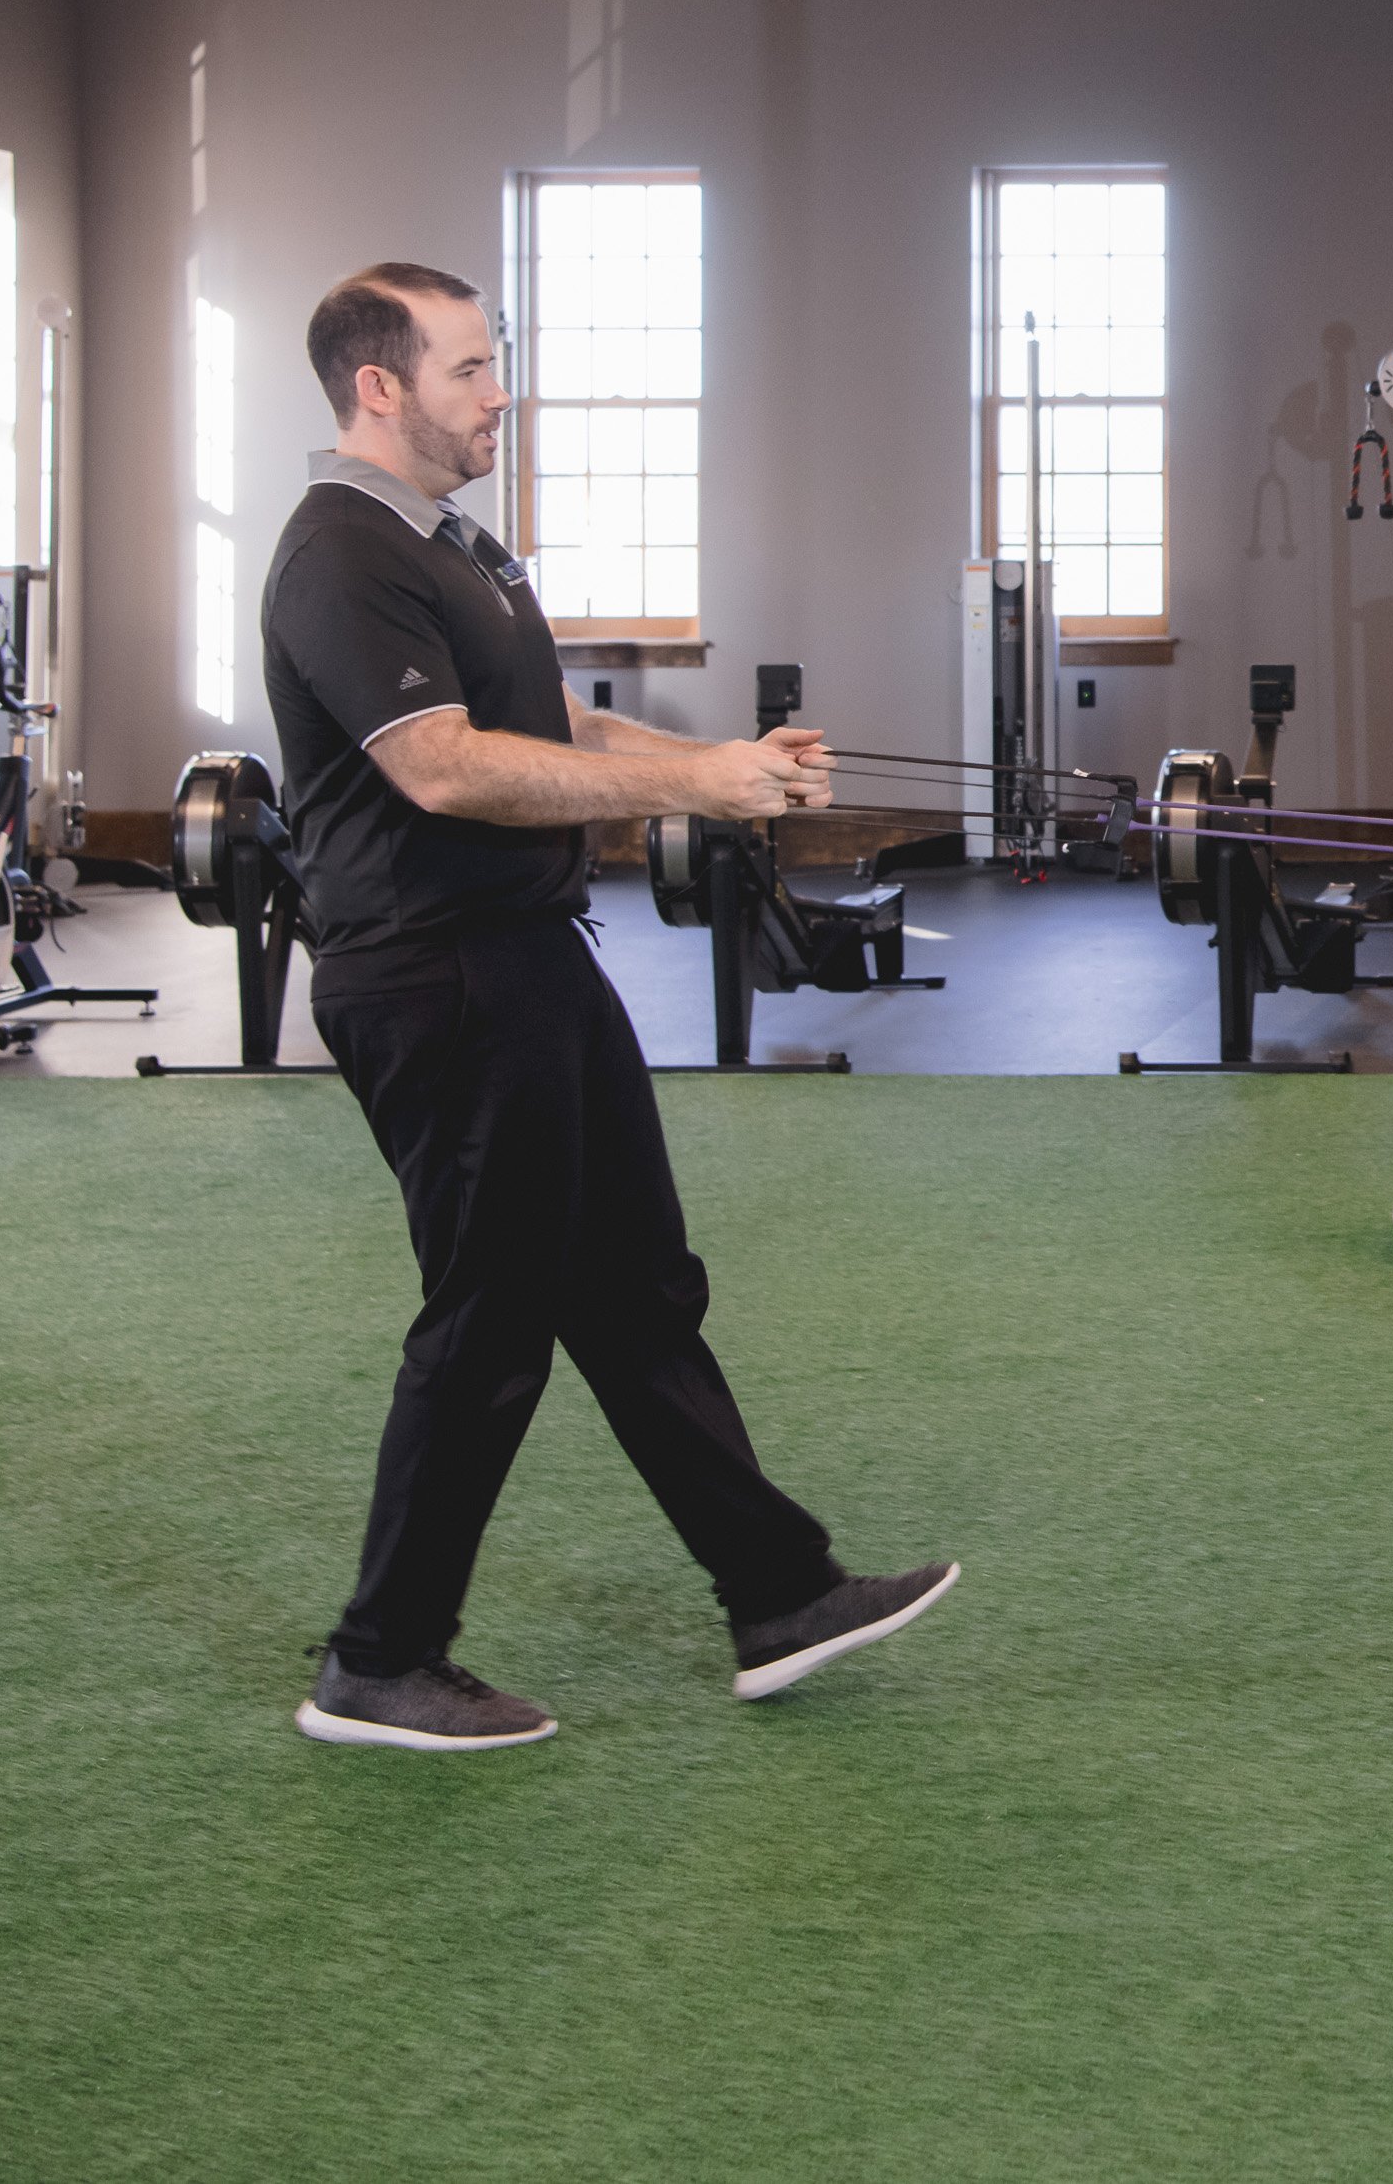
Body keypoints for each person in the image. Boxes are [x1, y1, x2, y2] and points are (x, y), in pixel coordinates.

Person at [265, 261, 953, 1752]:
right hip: (434, 973)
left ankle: (778, 1590)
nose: (497, 389)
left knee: (633, 1284)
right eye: (465, 367)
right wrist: (690, 788)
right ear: (377, 387)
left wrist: (730, 761)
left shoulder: (462, 547)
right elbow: (443, 766)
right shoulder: (340, 553)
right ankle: (380, 1658)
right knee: (492, 1314)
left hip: (532, 953)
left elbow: (550, 728)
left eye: (494, 359)